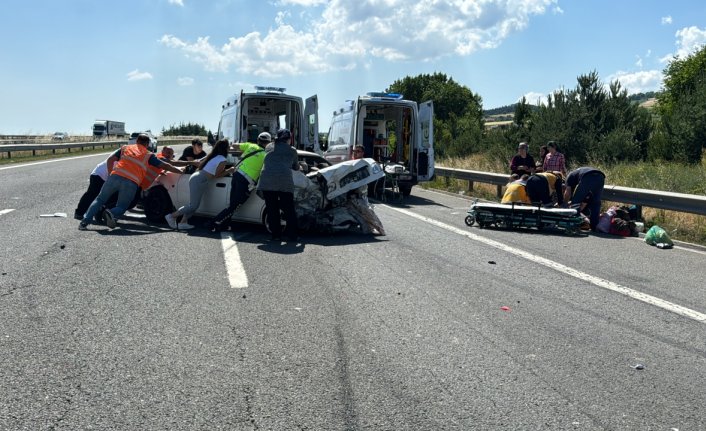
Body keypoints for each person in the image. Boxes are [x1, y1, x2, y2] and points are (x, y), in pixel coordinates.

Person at [79, 134, 184, 230]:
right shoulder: (148, 155)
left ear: (136, 141)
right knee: (122, 206)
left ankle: (84, 223)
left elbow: (110, 159)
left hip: (115, 177)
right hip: (131, 182)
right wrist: (179, 171)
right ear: (148, 144)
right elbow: (165, 165)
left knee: (100, 199)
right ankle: (110, 212)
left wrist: (111, 174)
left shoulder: (125, 148)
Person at [208, 132, 270, 232]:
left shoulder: (250, 145)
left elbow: (234, 145)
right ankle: (215, 222)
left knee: (232, 203)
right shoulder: (266, 155)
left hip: (237, 175)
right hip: (246, 181)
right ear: (268, 143)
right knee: (235, 205)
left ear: (258, 140)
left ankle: (225, 224)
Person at [165, 140, 231, 230]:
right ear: (225, 148)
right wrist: (229, 170)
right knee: (193, 205)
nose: (229, 148)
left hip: (197, 177)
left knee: (194, 204)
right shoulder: (223, 160)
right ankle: (171, 216)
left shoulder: (212, 156)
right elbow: (217, 175)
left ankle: (183, 222)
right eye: (228, 147)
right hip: (200, 179)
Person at [256, 128, 300, 242]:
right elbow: (295, 167)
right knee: (289, 209)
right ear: (288, 139)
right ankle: (292, 235)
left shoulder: (269, 146)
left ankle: (276, 235)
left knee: (272, 209)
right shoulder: (292, 150)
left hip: (267, 180)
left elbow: (271, 159)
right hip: (284, 181)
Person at [563, 167, 605, 231]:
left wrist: (564, 203)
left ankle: (574, 224)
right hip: (601, 176)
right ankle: (594, 226)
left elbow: (568, 192)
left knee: (576, 202)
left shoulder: (570, 177)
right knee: (596, 203)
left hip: (588, 176)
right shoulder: (578, 172)